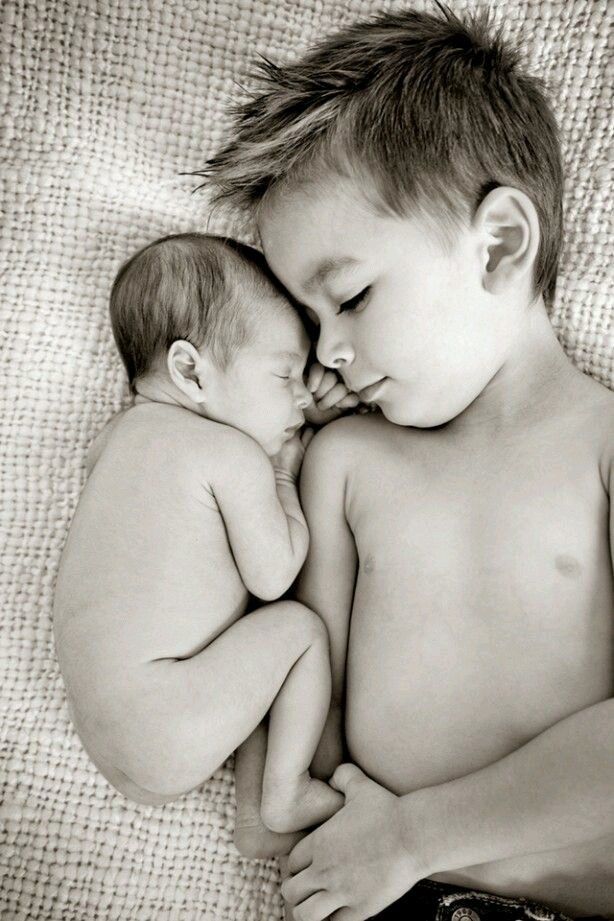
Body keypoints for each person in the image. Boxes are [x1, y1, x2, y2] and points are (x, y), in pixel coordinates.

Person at [199, 6, 614, 920]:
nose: (328, 351)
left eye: (348, 297)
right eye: (308, 323)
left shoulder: (602, 447)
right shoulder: (347, 466)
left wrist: (419, 831)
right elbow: (301, 736)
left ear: (500, 244)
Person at [53, 233, 360, 850]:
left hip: (111, 739)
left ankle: (256, 819)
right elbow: (273, 575)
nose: (302, 396)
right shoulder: (230, 454)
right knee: (295, 628)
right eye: (284, 374)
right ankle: (283, 791)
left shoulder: (113, 442)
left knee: (248, 653)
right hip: (168, 718)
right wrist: (282, 474)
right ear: (191, 371)